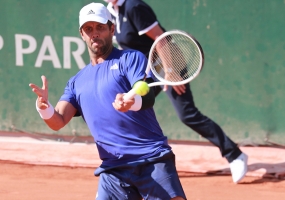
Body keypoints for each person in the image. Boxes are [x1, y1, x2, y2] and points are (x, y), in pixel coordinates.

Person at [29, 3, 186, 200]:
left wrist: (132, 101)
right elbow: (58, 121)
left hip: (151, 159)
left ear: (112, 29)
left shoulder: (130, 58)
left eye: (100, 27)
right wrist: (44, 107)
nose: (94, 33)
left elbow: (146, 95)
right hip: (113, 170)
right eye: (89, 29)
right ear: (82, 34)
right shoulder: (76, 82)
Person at [104, 0, 248, 183]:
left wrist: (171, 72)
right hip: (147, 70)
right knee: (131, 111)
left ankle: (235, 155)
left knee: (187, 114)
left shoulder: (134, 7)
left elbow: (161, 39)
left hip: (169, 64)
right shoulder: (113, 11)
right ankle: (137, 161)